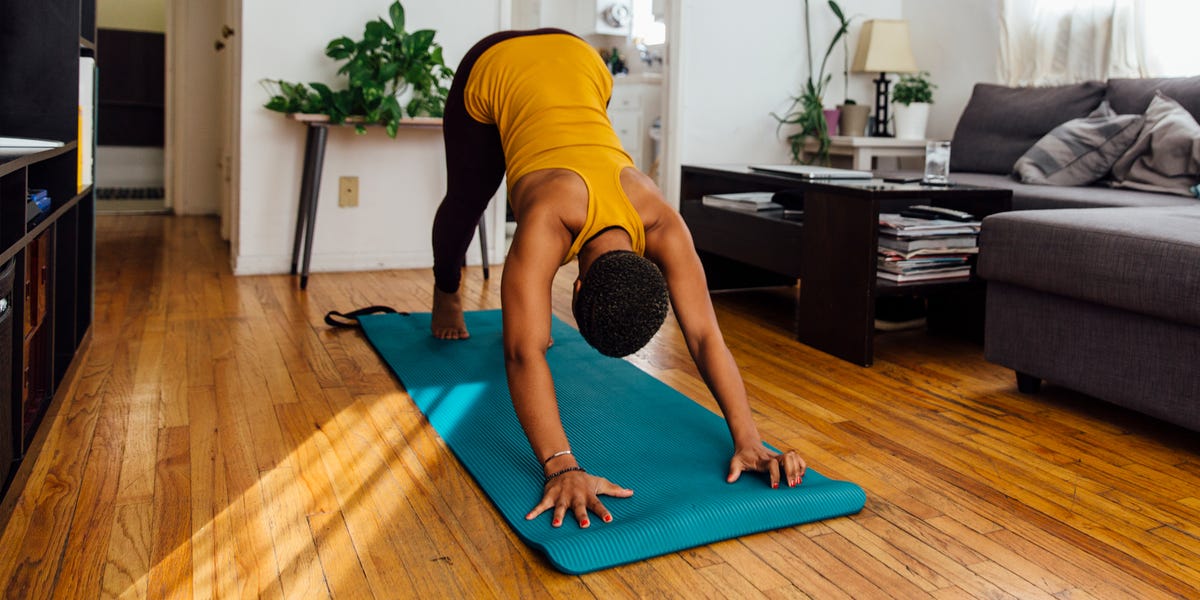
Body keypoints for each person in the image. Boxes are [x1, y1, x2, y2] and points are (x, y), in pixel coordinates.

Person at [431, 29, 806, 529]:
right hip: (493, 62)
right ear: (578, 288)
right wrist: (561, 465)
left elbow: (703, 335)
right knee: (467, 202)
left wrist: (750, 440)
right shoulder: (546, 220)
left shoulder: (663, 223)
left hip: (584, 62)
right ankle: (445, 292)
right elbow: (524, 350)